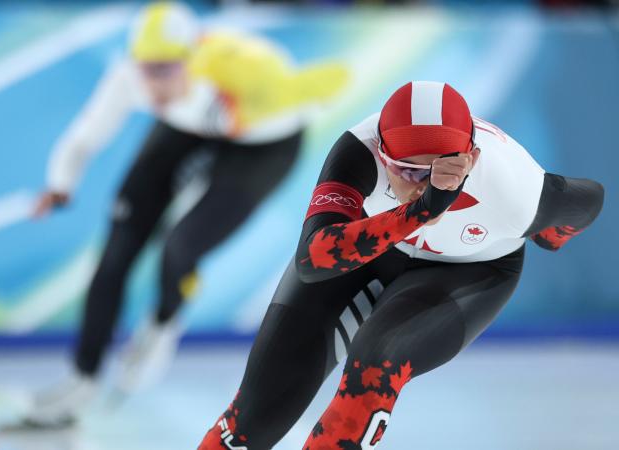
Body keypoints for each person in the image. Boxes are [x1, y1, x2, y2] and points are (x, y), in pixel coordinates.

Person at [197, 80, 604, 449]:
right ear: (381, 153)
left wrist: (551, 237)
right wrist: (422, 211)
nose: (423, 185)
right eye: (408, 170)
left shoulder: (517, 189)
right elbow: (313, 260)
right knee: (256, 413)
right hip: (371, 250)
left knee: (377, 363)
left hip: (469, 270)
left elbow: (590, 199)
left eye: (442, 172)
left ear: (472, 159)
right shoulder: (357, 152)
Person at [19, 1, 348, 428]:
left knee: (181, 245)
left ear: (191, 61)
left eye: (165, 70)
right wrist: (60, 184)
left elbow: (335, 78)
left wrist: (286, 100)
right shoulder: (131, 78)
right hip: (186, 125)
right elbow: (85, 135)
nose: (153, 82)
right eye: (146, 69)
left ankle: (163, 322)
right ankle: (83, 377)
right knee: (118, 247)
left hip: (263, 143)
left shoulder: (249, 77)